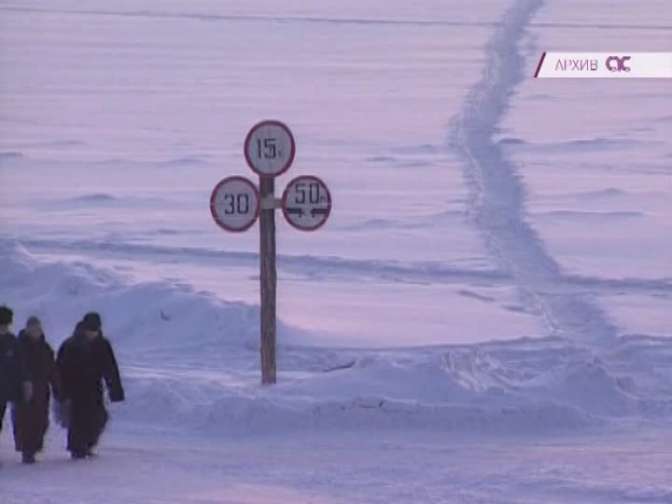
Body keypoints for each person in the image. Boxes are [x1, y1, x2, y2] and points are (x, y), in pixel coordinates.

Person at [56, 312, 125, 459]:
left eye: (95, 330)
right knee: (78, 420)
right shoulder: (71, 344)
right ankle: (77, 449)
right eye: (90, 330)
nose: (92, 334)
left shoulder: (103, 344)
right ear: (84, 328)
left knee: (99, 418)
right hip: (75, 388)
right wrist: (61, 391)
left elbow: (110, 368)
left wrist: (115, 390)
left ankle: (88, 444)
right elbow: (60, 370)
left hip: (94, 388)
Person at [12, 317, 60, 464]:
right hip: (22, 390)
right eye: (32, 329)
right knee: (24, 421)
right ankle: (27, 451)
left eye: (37, 329)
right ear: (27, 330)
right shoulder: (18, 347)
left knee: (41, 421)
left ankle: (34, 447)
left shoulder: (45, 348)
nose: (35, 332)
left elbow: (53, 370)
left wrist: (58, 388)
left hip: (41, 390)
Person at [0, 306, 21, 444]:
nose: (4, 328)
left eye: (6, 325)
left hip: (4, 389)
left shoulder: (12, 340)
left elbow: (19, 364)